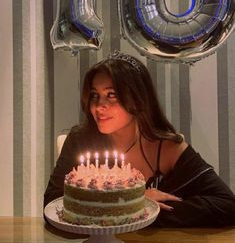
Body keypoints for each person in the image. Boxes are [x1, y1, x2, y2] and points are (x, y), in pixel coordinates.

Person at [44, 51, 235, 227]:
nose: (98, 106)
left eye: (111, 95)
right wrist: (134, 203)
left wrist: (149, 208)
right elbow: (52, 202)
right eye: (95, 95)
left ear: (137, 98)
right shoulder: (80, 140)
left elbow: (227, 205)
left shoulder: (167, 147)